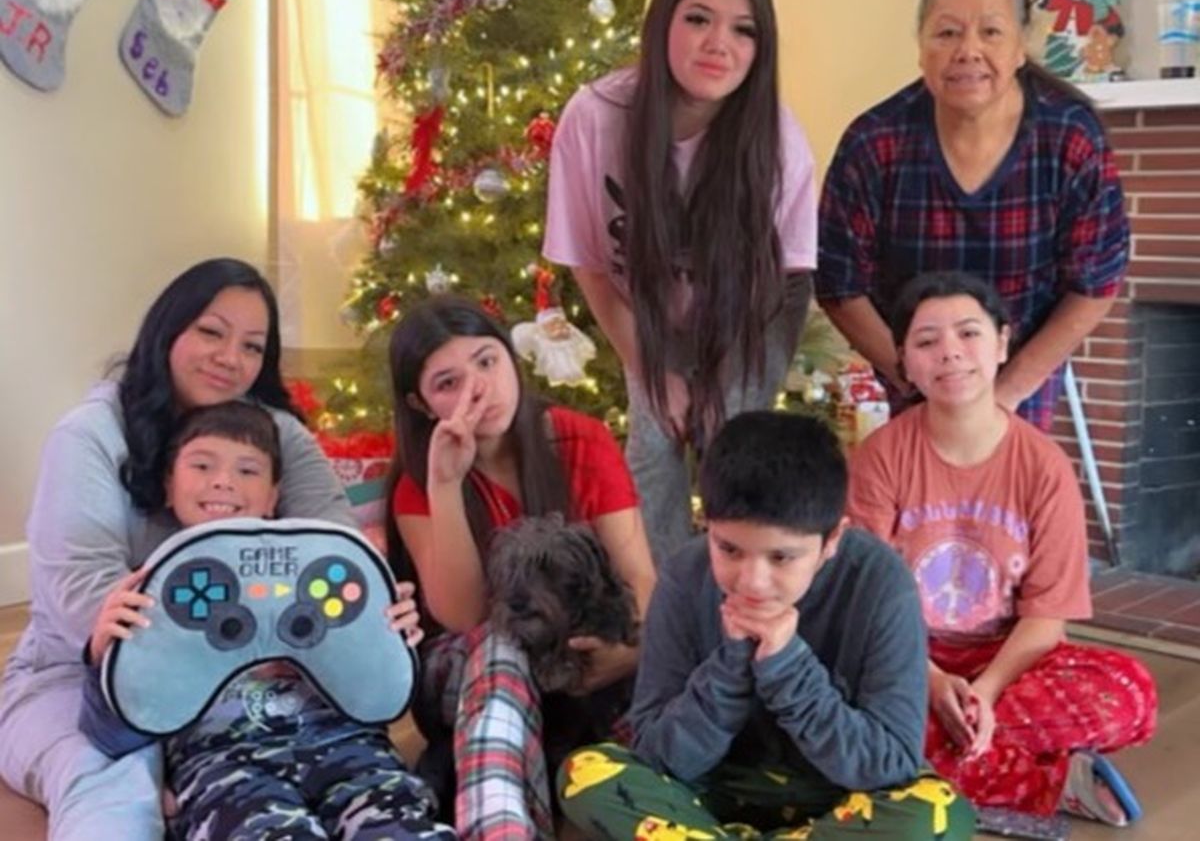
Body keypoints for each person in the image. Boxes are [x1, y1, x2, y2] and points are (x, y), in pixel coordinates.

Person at [0, 258, 355, 840]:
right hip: (83, 675)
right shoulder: (90, 434)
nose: (230, 358)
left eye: (252, 346)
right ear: (167, 330)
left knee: (330, 768)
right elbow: (82, 598)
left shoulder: (279, 433)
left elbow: (337, 555)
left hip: (251, 672)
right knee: (117, 784)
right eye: (212, 332)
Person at [557, 411, 975, 840]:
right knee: (585, 773)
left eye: (781, 558)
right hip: (708, 788)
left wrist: (787, 665)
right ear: (707, 526)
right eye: (729, 550)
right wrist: (732, 664)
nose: (752, 581)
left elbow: (890, 765)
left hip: (838, 798)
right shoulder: (684, 576)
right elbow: (657, 754)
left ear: (832, 541)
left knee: (938, 813)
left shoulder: (882, 582)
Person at [846, 271, 1157, 824]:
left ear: (1002, 344)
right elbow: (866, 603)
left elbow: (1046, 618)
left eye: (969, 333)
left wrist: (983, 696)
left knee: (1129, 692)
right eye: (926, 341)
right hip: (904, 658)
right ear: (905, 363)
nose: (950, 352)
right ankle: (1052, 782)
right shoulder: (881, 457)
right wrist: (932, 682)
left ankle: (924, 768)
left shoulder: (1044, 466)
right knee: (839, 689)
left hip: (1009, 662)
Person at [542, 0, 817, 561]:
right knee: (653, 443)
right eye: (698, 19)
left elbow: (786, 279)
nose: (719, 44)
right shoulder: (596, 117)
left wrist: (726, 386)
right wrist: (652, 370)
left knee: (732, 446)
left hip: (753, 314)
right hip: (648, 312)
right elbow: (590, 263)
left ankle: (747, 591)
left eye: (744, 30)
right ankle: (658, 600)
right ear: (663, 22)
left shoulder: (778, 139)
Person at [77, 400, 455, 839]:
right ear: (168, 485)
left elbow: (379, 697)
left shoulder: (329, 572)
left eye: (247, 470)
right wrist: (102, 653)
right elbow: (114, 736)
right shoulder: (148, 590)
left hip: (352, 751)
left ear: (274, 497)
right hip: (225, 767)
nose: (223, 481)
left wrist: (390, 632)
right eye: (202, 465)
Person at [817, 0, 1129, 432]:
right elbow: (839, 284)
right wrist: (916, 381)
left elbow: (1095, 284)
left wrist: (1003, 397)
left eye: (991, 32)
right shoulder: (874, 142)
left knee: (1010, 481)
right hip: (913, 386)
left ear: (1021, 46)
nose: (968, 50)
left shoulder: (1070, 138)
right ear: (921, 47)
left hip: (1020, 387)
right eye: (947, 33)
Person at [385, 296, 657, 840]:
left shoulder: (579, 439)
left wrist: (628, 653)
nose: (478, 390)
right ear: (420, 403)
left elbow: (640, 584)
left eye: (487, 362)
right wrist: (445, 484)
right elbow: (462, 616)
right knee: (500, 643)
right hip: (464, 673)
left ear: (511, 358)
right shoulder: (420, 480)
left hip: (578, 653)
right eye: (448, 383)